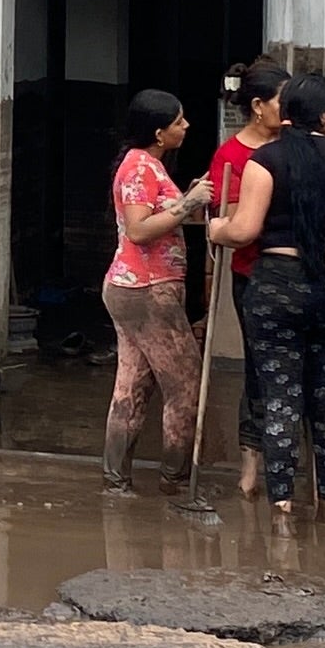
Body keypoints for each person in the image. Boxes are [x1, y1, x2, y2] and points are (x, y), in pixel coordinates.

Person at [211, 63, 325, 519]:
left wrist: (216, 227)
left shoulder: (263, 162)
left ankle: (282, 504)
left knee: (281, 396)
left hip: (278, 286)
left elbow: (244, 230)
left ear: (285, 112)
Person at [99, 88, 216, 514]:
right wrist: (188, 202)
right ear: (159, 131)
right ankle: (175, 480)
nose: (186, 127)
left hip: (135, 288)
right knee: (186, 384)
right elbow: (138, 230)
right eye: (179, 121)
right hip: (147, 289)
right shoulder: (139, 168)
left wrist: (188, 200)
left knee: (131, 384)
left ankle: (117, 482)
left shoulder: (148, 166)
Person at [203, 63, 284, 500]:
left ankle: (288, 464)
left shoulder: (296, 144)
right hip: (253, 273)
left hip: (295, 272)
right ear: (257, 107)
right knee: (257, 369)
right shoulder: (231, 155)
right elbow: (227, 218)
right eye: (280, 100)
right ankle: (251, 464)